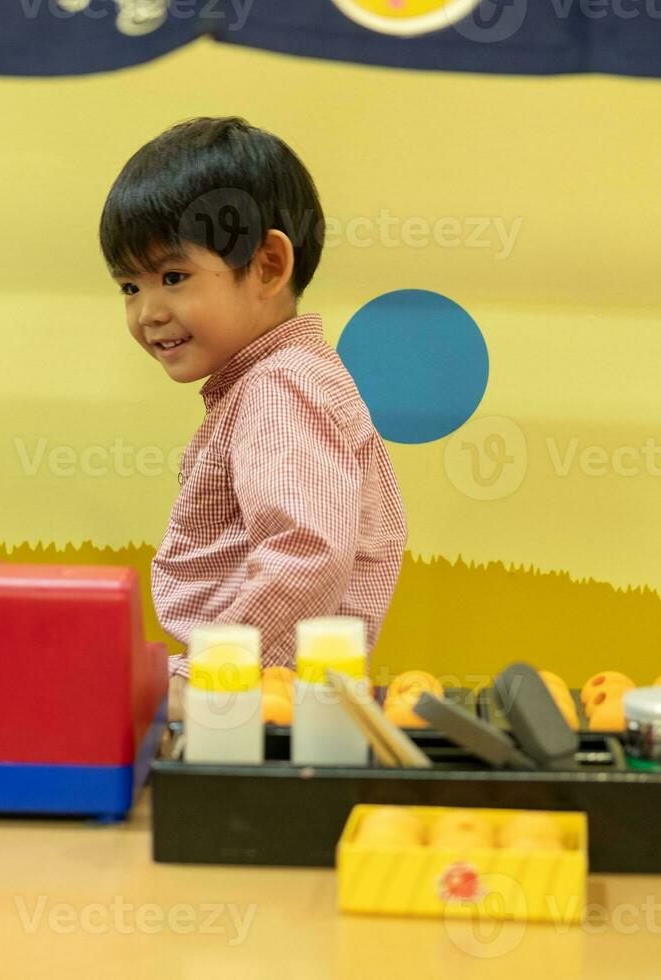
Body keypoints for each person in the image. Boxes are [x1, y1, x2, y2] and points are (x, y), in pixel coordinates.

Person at [98, 116, 407, 685]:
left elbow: (307, 550)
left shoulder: (279, 389)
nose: (148, 313)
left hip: (259, 701)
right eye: (129, 287)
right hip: (270, 690)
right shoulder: (278, 381)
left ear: (267, 266)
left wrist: (207, 679)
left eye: (172, 275)